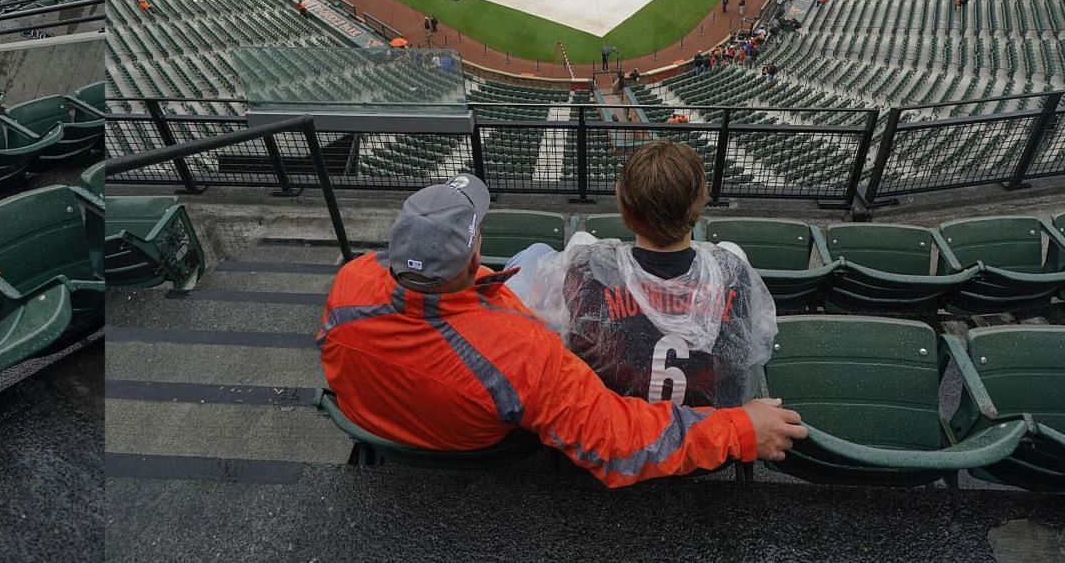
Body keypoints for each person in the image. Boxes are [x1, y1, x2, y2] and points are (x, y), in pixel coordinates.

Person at [318, 176, 805, 488]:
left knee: (534, 259)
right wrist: (741, 429)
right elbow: (618, 441)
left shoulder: (349, 282)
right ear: (471, 258)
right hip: (475, 440)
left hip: (392, 424)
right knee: (536, 257)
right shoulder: (525, 353)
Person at [508, 142, 777, 409]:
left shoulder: (585, 268)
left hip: (615, 423)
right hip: (710, 426)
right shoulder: (734, 272)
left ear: (625, 210)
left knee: (545, 250)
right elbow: (741, 362)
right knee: (732, 250)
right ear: (698, 205)